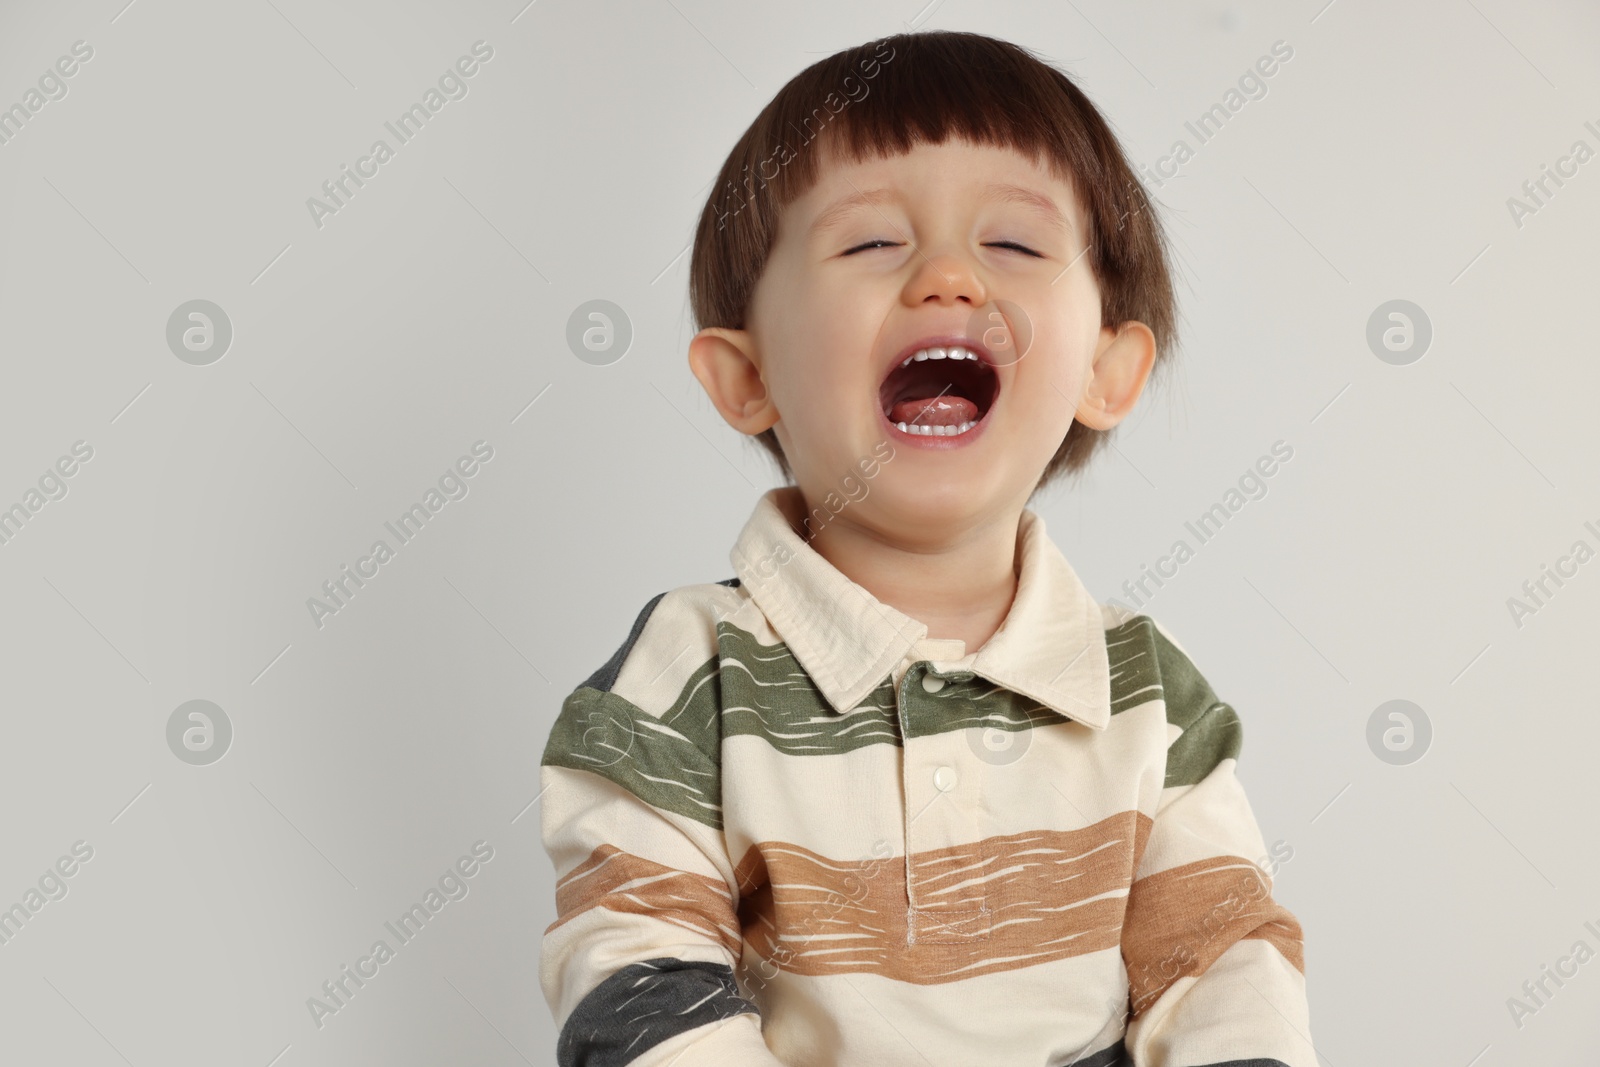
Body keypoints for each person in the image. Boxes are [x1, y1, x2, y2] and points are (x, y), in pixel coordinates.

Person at [537, 29, 1314, 1067]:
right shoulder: (690, 675)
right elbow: (636, 963)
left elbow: (1219, 963)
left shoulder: (1143, 690)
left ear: (1108, 368)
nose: (948, 277)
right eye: (869, 246)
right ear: (746, 375)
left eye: (1015, 246)